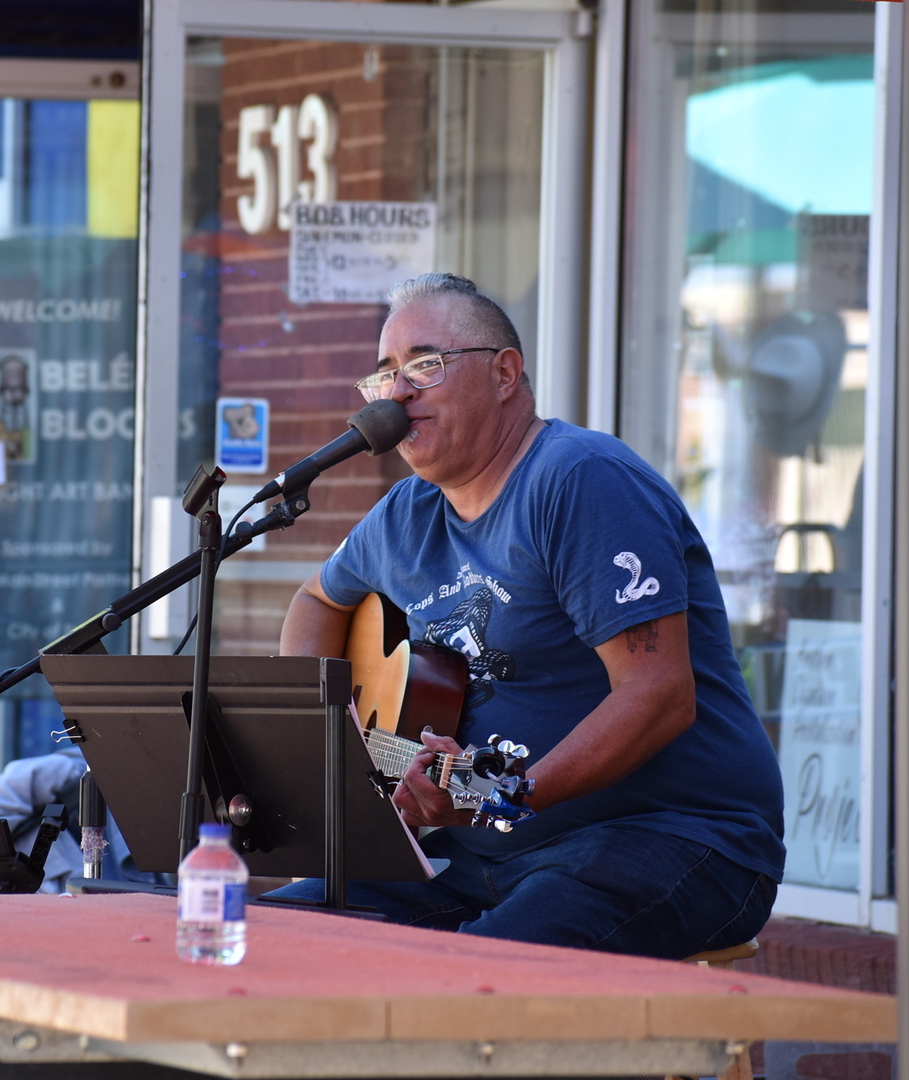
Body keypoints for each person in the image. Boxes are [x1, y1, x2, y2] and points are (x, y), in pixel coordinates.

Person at [274, 272, 783, 959]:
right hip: (476, 860)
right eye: (384, 375)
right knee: (267, 935)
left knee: (479, 975)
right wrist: (332, 740)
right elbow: (316, 600)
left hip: (668, 838)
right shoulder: (405, 515)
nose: (397, 393)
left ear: (506, 372)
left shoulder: (580, 481)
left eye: (425, 365)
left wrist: (498, 792)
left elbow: (660, 696)